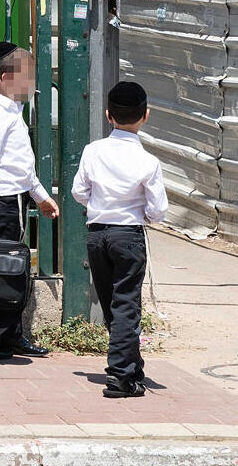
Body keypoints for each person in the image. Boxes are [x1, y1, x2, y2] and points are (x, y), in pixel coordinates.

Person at [0, 41, 60, 360]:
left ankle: (8, 336)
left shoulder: (12, 113)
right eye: (27, 75)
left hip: (16, 201)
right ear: (5, 78)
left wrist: (41, 198)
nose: (32, 83)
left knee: (14, 271)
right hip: (1, 204)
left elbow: (21, 167)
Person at [70, 81, 169, 398]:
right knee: (127, 305)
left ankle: (131, 368)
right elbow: (158, 210)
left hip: (98, 235)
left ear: (108, 115)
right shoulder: (148, 162)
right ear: (146, 116)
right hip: (128, 236)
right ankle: (120, 376)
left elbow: (78, 192)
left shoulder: (92, 151)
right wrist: (142, 216)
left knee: (114, 306)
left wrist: (98, 207)